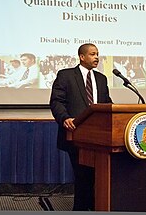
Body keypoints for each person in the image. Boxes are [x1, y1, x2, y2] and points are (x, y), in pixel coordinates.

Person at [50, 43, 112, 211]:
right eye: (92, 54)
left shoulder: (101, 78)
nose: (97, 57)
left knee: (95, 176)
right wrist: (64, 118)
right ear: (82, 57)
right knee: (83, 175)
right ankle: (81, 209)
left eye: (97, 54)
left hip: (99, 137)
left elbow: (107, 104)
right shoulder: (66, 75)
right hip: (75, 134)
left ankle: (95, 206)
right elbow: (57, 101)